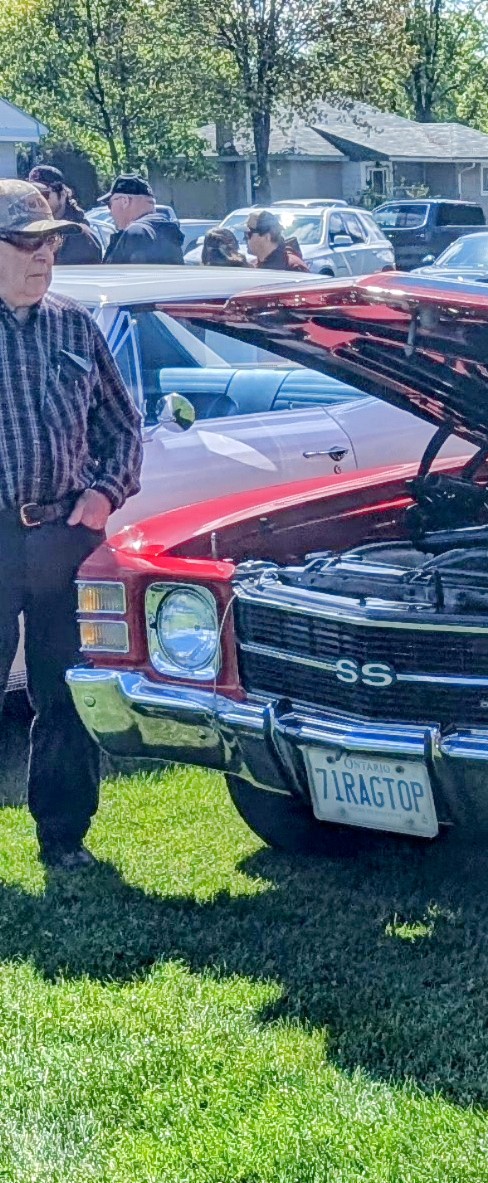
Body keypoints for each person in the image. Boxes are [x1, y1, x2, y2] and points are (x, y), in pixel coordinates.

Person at [0, 180, 142, 871]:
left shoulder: (73, 325)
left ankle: (64, 836)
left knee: (66, 692)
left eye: (51, 242)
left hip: (63, 537)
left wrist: (105, 494)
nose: (43, 256)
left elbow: (123, 427)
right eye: (26, 243)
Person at [100, 174, 184, 265]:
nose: (110, 212)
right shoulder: (168, 233)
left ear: (125, 201)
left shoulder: (135, 233)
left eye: (110, 204)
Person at [25, 166, 102, 266]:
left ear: (62, 194)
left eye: (44, 195)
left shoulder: (78, 236)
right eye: (31, 195)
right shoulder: (27, 231)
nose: (37, 201)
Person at [244, 210, 309, 272]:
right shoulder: (255, 265)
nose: (244, 238)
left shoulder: (294, 268)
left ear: (267, 237)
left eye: (248, 234)